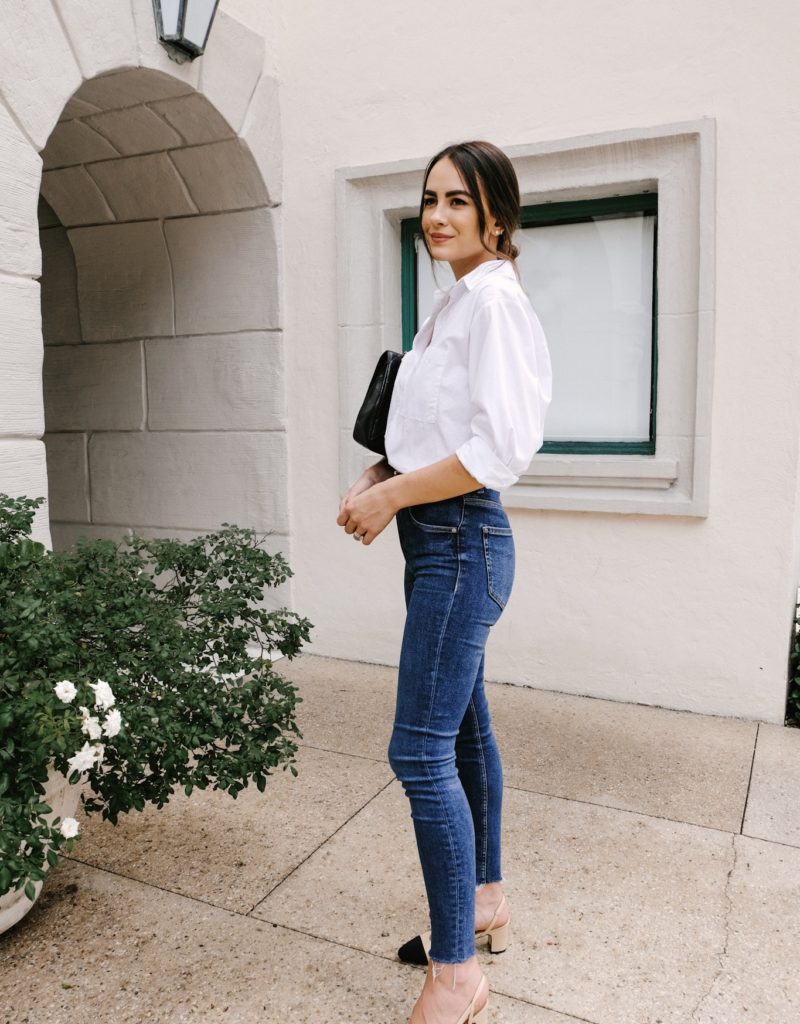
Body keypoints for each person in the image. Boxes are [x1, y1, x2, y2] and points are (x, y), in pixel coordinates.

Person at [337, 140, 552, 1024]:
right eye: (429, 199)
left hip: (460, 543)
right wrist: (378, 471)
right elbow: (434, 432)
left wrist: (391, 496)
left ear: (495, 216)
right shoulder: (452, 304)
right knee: (464, 734)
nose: (437, 215)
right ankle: (486, 900)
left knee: (418, 752)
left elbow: (497, 450)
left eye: (458, 201)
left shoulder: (494, 305)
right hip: (438, 543)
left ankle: (458, 972)